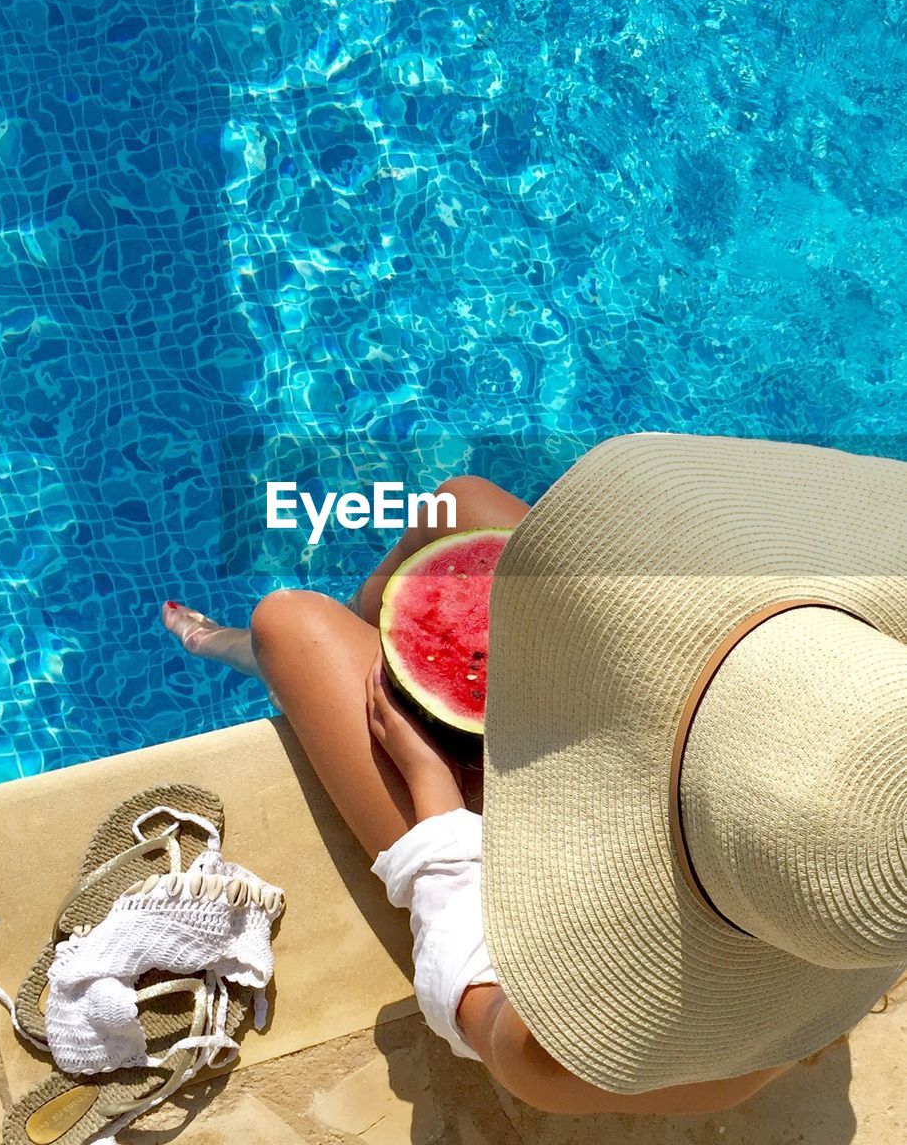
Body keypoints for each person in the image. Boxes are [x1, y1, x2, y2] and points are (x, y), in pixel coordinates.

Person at [162, 470, 804, 1116]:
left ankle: (262, 655)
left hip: (530, 852)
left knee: (287, 621)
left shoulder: (571, 1048)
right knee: (460, 504)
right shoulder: (867, 872)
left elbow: (467, 982)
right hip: (648, 761)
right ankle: (373, 624)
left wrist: (429, 777)